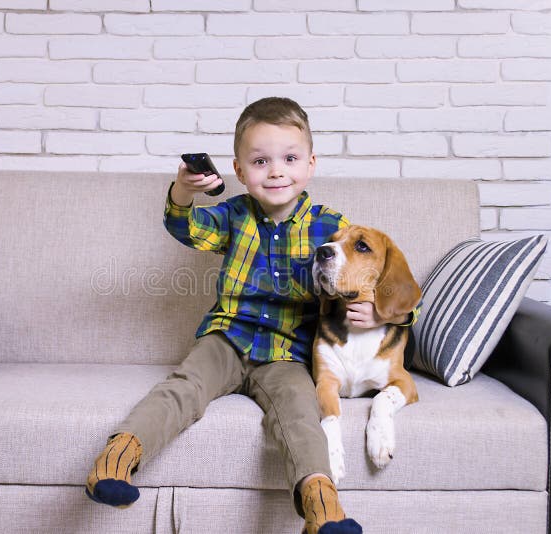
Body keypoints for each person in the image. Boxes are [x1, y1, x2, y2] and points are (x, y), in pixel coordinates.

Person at [86, 97, 374, 534]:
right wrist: (185, 190)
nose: (276, 171)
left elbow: (368, 271)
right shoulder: (234, 215)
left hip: (287, 350)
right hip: (227, 337)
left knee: (300, 410)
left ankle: (321, 505)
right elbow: (186, 227)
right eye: (261, 161)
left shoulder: (330, 225)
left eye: (290, 158)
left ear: (311, 164)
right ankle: (117, 461)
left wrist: (375, 311)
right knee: (184, 387)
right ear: (239, 171)